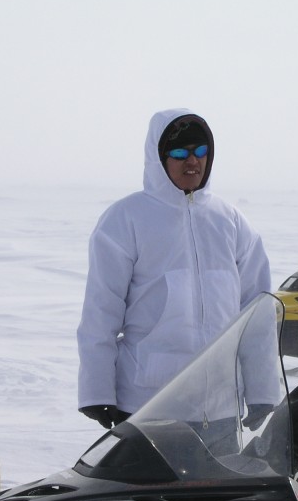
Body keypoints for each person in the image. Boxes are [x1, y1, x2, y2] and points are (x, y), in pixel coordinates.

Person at [77, 108, 271, 429]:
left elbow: (257, 314)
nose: (192, 162)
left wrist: (262, 390)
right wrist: (96, 392)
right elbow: (101, 314)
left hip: (221, 411)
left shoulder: (232, 222)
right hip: (147, 406)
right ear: (158, 158)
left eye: (201, 151)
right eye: (180, 152)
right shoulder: (126, 220)